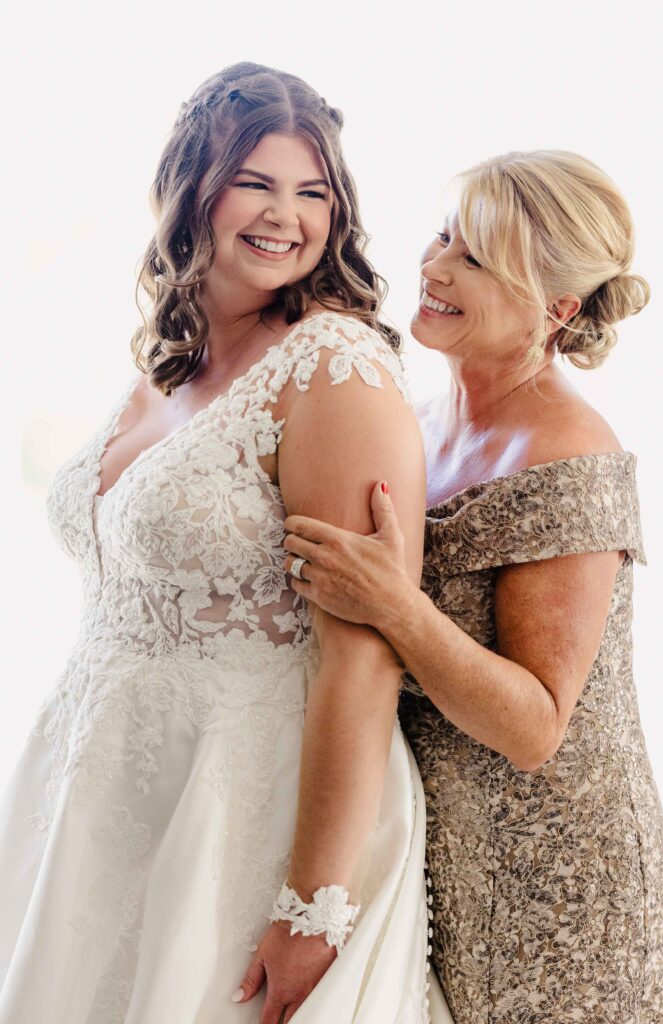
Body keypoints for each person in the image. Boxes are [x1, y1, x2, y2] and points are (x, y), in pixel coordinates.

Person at [0, 63, 443, 1023]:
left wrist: (313, 905)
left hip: (242, 805)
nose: (286, 216)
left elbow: (360, 658)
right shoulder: (173, 356)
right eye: (256, 183)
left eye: (312, 192)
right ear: (190, 188)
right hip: (103, 786)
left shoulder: (335, 367)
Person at [282, 150, 663, 1022]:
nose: (432, 269)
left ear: (558, 309)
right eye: (441, 238)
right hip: (438, 862)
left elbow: (534, 726)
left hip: (565, 895)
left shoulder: (570, 456)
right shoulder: (413, 424)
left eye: (475, 260)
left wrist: (392, 603)